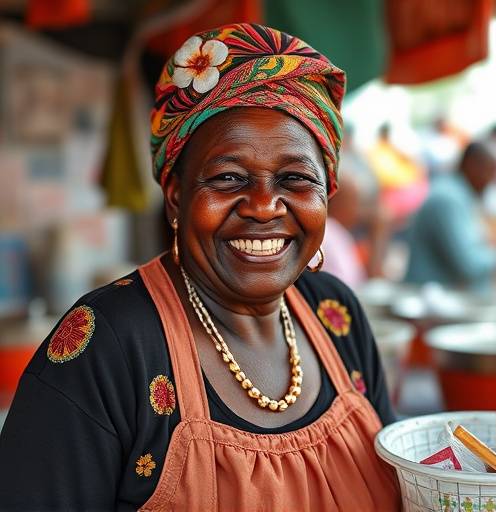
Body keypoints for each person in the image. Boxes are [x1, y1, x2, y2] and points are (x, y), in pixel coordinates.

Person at [0, 23, 400, 511]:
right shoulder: (107, 348)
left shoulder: (337, 315)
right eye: (228, 178)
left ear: (326, 195)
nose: (263, 206)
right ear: (175, 198)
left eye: (295, 178)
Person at [404, 141, 496, 291]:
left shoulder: (459, 195)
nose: (491, 180)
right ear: (472, 166)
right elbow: (469, 265)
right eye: (490, 171)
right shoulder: (448, 199)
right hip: (435, 301)